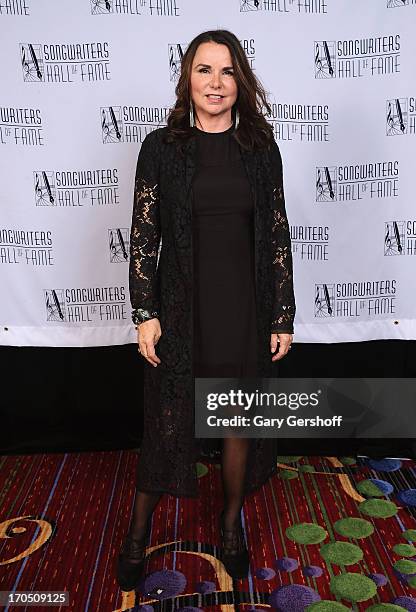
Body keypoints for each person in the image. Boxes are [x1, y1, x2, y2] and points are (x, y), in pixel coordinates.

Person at [116, 29, 295, 591]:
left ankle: (230, 524)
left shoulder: (261, 151)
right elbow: (144, 236)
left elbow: (276, 234)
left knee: (237, 418)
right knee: (168, 425)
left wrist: (281, 314)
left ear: (240, 81)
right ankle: (138, 534)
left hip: (244, 307)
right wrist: (146, 310)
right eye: (203, 71)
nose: (214, 83)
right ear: (186, 80)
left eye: (225, 71)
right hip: (182, 308)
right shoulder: (162, 149)